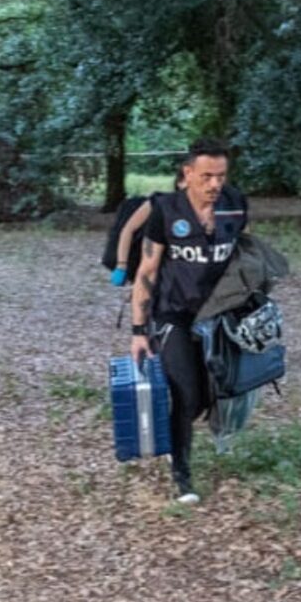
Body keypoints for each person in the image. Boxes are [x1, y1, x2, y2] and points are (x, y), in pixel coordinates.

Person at [131, 137, 248, 504]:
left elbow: (241, 258)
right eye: (207, 176)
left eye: (221, 176)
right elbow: (147, 270)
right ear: (188, 173)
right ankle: (181, 475)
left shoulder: (236, 206)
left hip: (216, 315)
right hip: (172, 314)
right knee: (186, 392)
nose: (215, 185)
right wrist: (138, 330)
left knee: (209, 395)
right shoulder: (166, 211)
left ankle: (172, 433)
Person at [109, 166, 187, 288]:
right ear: (180, 182)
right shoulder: (158, 202)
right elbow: (128, 229)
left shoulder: (211, 210)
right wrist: (121, 265)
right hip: (155, 269)